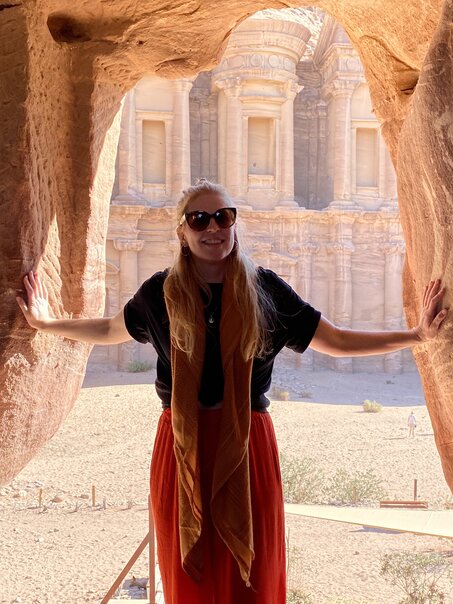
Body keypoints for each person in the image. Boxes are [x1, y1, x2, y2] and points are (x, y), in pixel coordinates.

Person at [16, 180, 448, 604]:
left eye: (223, 217)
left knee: (254, 576)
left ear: (234, 224)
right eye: (199, 219)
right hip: (182, 445)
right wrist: (45, 323)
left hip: (247, 446)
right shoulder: (160, 293)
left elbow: (335, 340)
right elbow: (111, 330)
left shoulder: (265, 289)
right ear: (182, 233)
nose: (213, 227)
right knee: (189, 573)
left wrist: (416, 335)